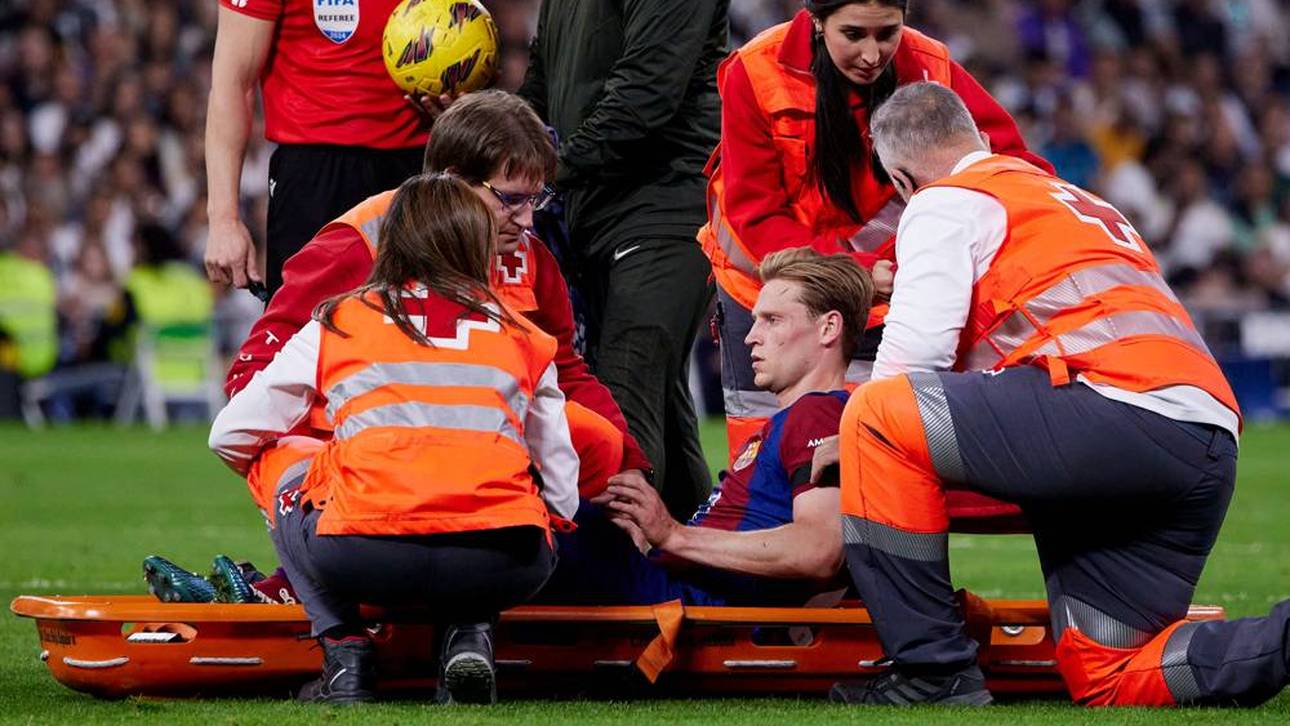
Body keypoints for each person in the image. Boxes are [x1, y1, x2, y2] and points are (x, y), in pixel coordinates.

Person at [824, 82, 1288, 707]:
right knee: (1111, 674)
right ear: (981, 141)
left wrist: (848, 443)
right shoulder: (1077, 201)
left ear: (903, 180)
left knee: (874, 418)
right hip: (1202, 439)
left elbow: (914, 361)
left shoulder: (946, 201)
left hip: (1110, 410)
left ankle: (933, 675)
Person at [208, 173, 578, 706]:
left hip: (360, 553)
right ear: (475, 243)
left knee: (274, 456)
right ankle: (468, 634)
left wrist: (336, 464)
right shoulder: (524, 334)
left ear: (392, 240)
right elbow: (563, 492)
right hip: (505, 563)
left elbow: (231, 433)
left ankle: (344, 654)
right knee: (497, 482)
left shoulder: (339, 320)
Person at [225, 90, 650, 512]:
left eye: (535, 198)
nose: (527, 220)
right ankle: (305, 564)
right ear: (452, 181)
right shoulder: (357, 243)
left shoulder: (529, 256)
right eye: (511, 200)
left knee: (599, 440)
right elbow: (254, 370)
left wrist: (628, 464)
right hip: (371, 454)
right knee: (279, 448)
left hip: (479, 448)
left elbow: (565, 370)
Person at [700, 0, 1053, 460]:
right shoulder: (756, 69)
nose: (872, 54)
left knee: (872, 454)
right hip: (767, 290)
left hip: (885, 295)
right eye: (854, 35)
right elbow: (758, 217)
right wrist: (857, 272)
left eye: (887, 34)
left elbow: (1007, 167)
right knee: (763, 461)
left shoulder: (929, 66)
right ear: (817, 21)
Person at [538, 248, 872, 606]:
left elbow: (818, 550)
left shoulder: (818, 415)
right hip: (669, 583)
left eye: (772, 320)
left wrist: (672, 535)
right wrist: (653, 535)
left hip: (683, 600)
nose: (750, 337)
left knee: (523, 523)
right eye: (755, 319)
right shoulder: (797, 421)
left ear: (828, 328)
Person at [518, 0, 726, 519]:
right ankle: (699, 567)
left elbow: (645, 96)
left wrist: (542, 169)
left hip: (665, 203)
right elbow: (543, 83)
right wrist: (502, 143)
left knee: (625, 386)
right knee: (664, 410)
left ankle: (617, 579)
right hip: (596, 206)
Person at [204, 0, 426, 295]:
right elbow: (232, 81)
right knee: (308, 330)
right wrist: (223, 219)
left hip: (419, 168)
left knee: (418, 328)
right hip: (314, 176)